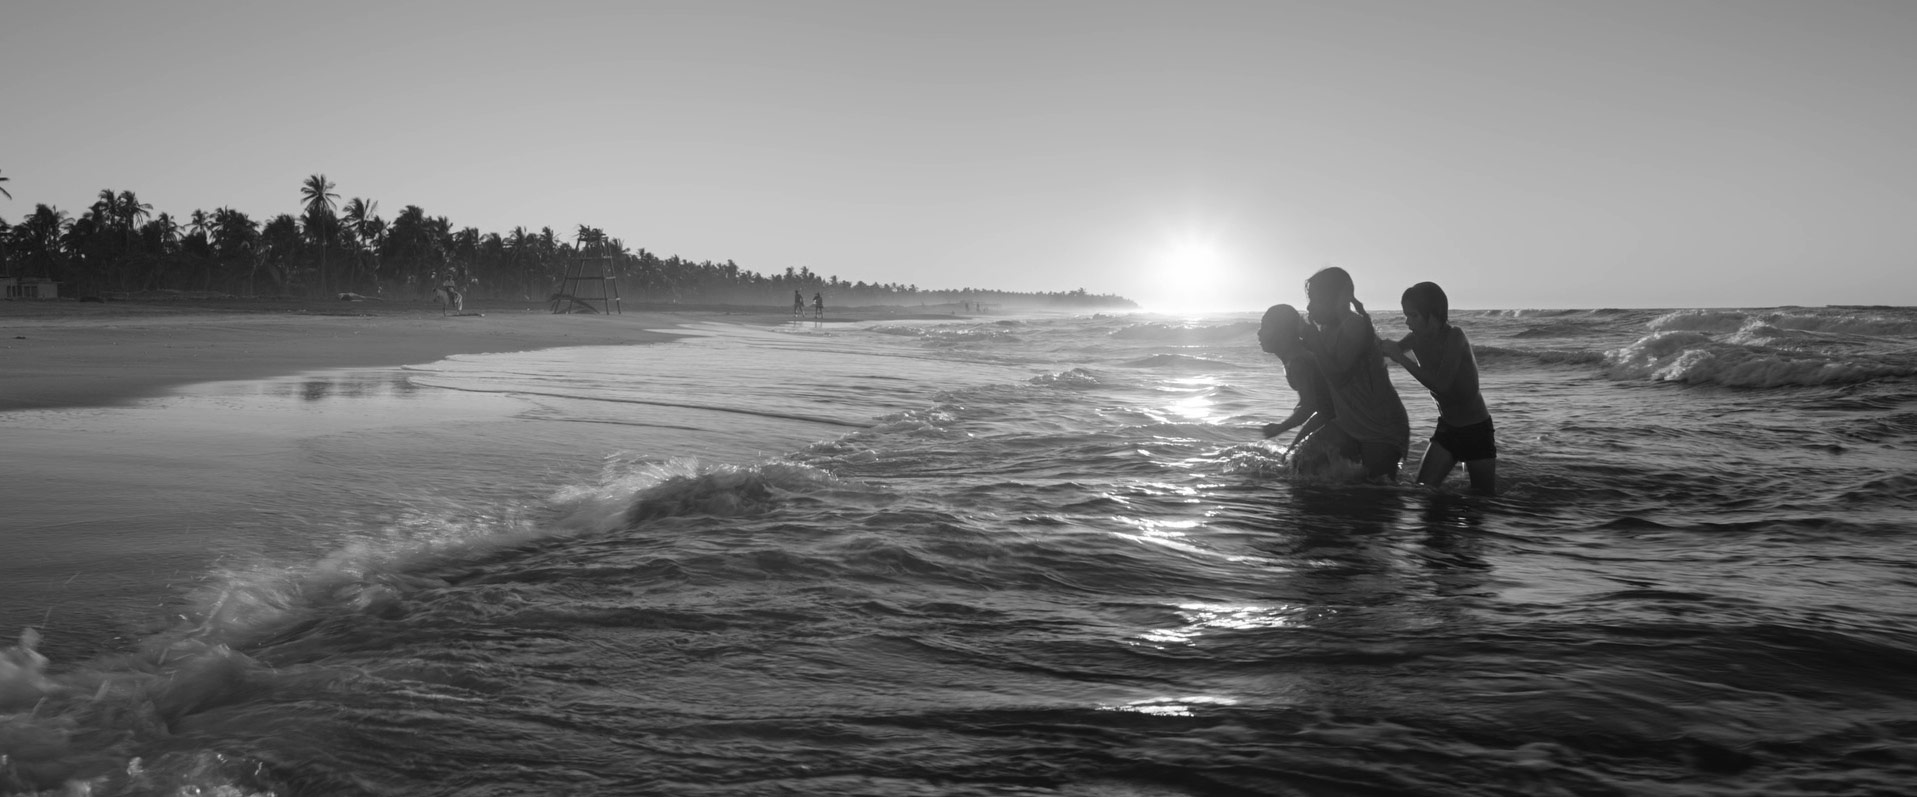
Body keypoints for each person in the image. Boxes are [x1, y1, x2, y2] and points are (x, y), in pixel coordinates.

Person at [1382, 281, 1497, 494]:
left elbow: (1442, 385)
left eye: (1413, 315)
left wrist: (1402, 359)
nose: (1407, 322)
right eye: (1405, 315)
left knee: (1483, 502)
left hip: (1476, 430)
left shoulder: (1455, 337)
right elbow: (1387, 350)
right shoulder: (1415, 339)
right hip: (1447, 429)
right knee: (1423, 491)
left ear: (1433, 314)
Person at [1303, 266, 1410, 482]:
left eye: (1316, 299)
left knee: (1376, 496)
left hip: (1381, 428)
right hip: (1348, 424)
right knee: (1302, 465)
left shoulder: (1355, 325)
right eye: (1310, 299)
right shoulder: (1326, 330)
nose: (1309, 306)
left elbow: (1339, 375)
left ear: (1340, 298)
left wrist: (1314, 343)